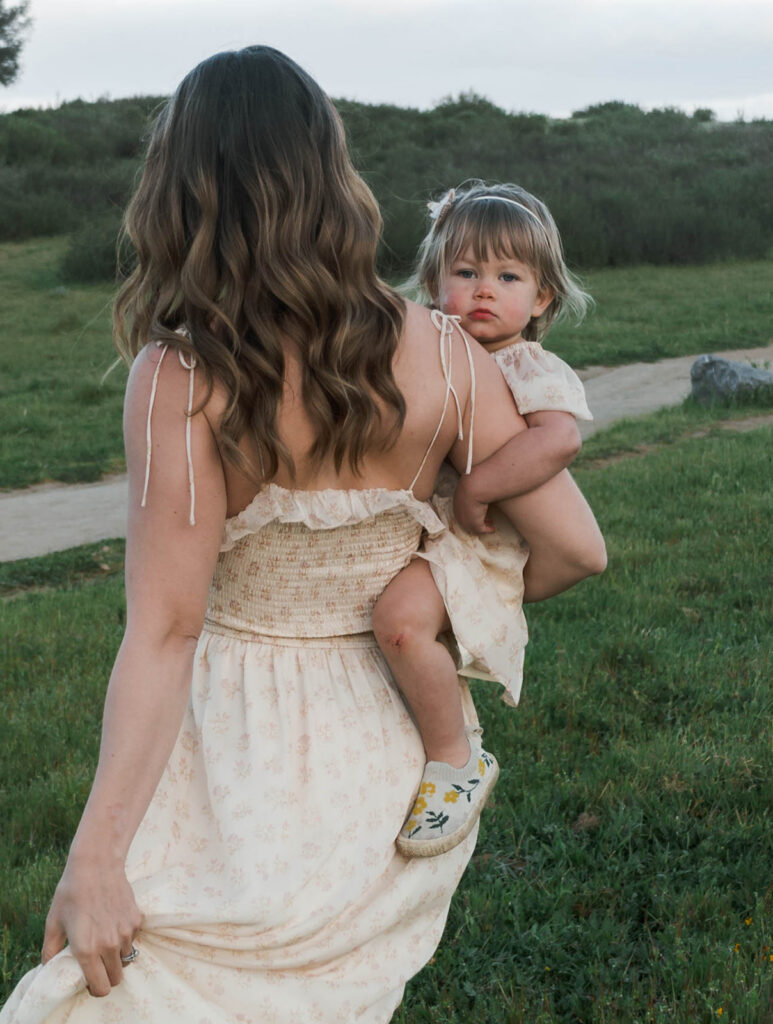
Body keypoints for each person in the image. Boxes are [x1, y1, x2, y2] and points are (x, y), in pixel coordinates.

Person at [0, 47, 605, 1024]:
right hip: (387, 754)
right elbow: (575, 550)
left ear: (180, 191)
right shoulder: (450, 353)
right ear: (333, 176)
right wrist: (440, 596)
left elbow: (166, 630)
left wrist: (97, 857)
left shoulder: (181, 377)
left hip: (230, 754)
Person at [372, 182, 599, 858]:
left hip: (478, 544)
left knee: (399, 623)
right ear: (433, 283)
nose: (483, 291)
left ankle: (456, 762)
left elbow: (559, 439)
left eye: (507, 277)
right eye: (466, 272)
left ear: (541, 299)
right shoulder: (431, 351)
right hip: (436, 533)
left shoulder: (523, 363)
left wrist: (479, 487)